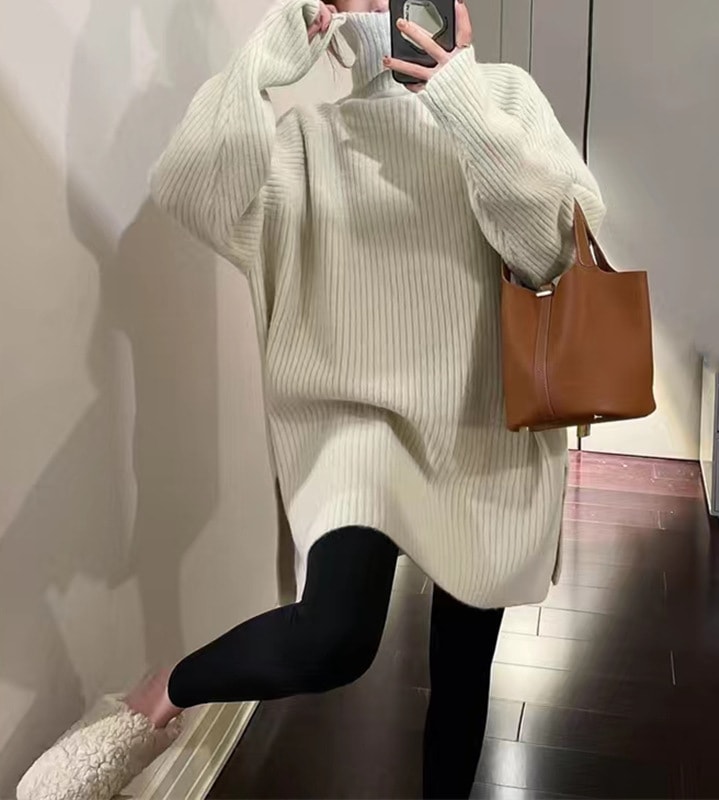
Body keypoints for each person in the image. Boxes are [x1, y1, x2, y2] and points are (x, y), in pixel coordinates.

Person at [18, 1, 604, 798]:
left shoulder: (502, 96)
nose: (383, 7)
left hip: (485, 423)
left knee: (463, 670)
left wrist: (461, 104)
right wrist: (266, 57)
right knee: (334, 635)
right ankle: (162, 693)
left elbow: (550, 251)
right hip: (352, 422)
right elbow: (190, 188)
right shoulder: (304, 140)